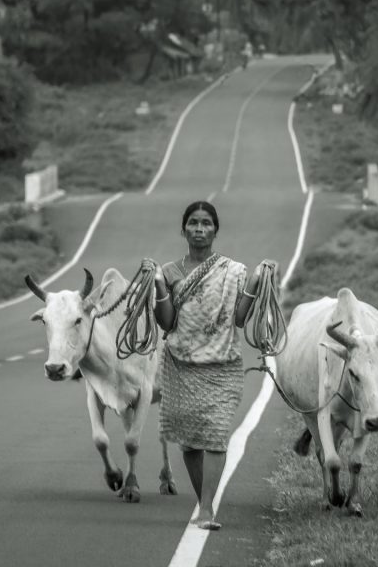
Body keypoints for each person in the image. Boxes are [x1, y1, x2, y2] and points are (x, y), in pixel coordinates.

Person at [153, 200, 264, 531]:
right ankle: (206, 500)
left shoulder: (234, 272)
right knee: (189, 441)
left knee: (215, 436)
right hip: (180, 365)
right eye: (193, 223)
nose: (199, 229)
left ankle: (205, 508)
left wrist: (257, 280)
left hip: (222, 364)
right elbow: (167, 323)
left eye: (206, 223)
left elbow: (240, 319)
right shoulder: (169, 272)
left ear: (215, 230)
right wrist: (158, 286)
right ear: (183, 229)